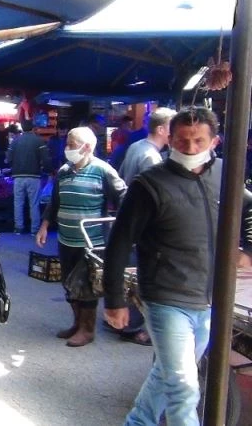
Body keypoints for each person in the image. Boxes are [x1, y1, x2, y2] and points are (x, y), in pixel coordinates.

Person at [102, 107, 252, 426]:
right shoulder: (149, 184)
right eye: (182, 141)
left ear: (214, 142)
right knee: (184, 387)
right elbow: (119, 242)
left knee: (167, 375)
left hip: (210, 298)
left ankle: (137, 422)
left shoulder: (226, 174)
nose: (191, 148)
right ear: (170, 139)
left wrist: (248, 249)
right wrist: (114, 300)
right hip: (165, 297)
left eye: (199, 141)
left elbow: (249, 206)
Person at [36, 126, 127, 347]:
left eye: (71, 145)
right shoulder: (64, 171)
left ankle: (87, 330)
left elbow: (124, 197)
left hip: (90, 243)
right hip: (65, 240)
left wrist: (122, 227)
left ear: (86, 147)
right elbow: (54, 202)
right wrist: (44, 226)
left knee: (87, 287)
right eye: (67, 144)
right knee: (69, 284)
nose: (67, 148)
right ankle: (76, 324)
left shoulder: (103, 170)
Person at [107, 108, 176, 347]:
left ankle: (124, 321)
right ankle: (135, 326)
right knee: (140, 276)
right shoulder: (151, 158)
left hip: (130, 217)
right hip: (143, 224)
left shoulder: (137, 147)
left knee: (130, 275)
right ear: (162, 129)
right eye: (173, 128)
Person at [7, 124, 49, 235]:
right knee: (34, 203)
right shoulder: (39, 141)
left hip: (18, 176)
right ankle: (34, 229)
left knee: (18, 203)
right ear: (33, 128)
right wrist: (48, 170)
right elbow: (46, 159)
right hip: (34, 176)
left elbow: (8, 159)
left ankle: (18, 228)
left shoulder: (15, 141)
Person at [119, 108, 175, 184]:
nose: (175, 132)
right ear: (160, 130)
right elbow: (154, 189)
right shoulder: (151, 157)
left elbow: (121, 176)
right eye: (172, 128)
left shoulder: (135, 145)